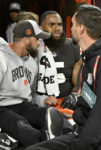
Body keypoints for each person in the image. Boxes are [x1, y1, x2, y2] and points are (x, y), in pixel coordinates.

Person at [26, 4, 101, 150]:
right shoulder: (91, 58)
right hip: (90, 133)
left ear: (81, 28)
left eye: (73, 24)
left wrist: (76, 145)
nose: (70, 28)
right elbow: (90, 104)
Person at [0, 20, 64, 148]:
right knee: (20, 123)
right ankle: (49, 143)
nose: (40, 42)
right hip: (2, 108)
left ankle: (63, 136)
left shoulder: (32, 64)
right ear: (26, 41)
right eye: (37, 39)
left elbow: (33, 94)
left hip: (23, 105)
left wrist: (44, 100)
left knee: (47, 114)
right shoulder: (2, 58)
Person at [35, 10, 80, 112]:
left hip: (67, 104)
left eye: (59, 24)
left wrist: (74, 95)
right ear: (40, 28)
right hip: (41, 104)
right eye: (52, 24)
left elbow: (78, 82)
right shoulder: (34, 48)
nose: (57, 28)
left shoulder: (73, 46)